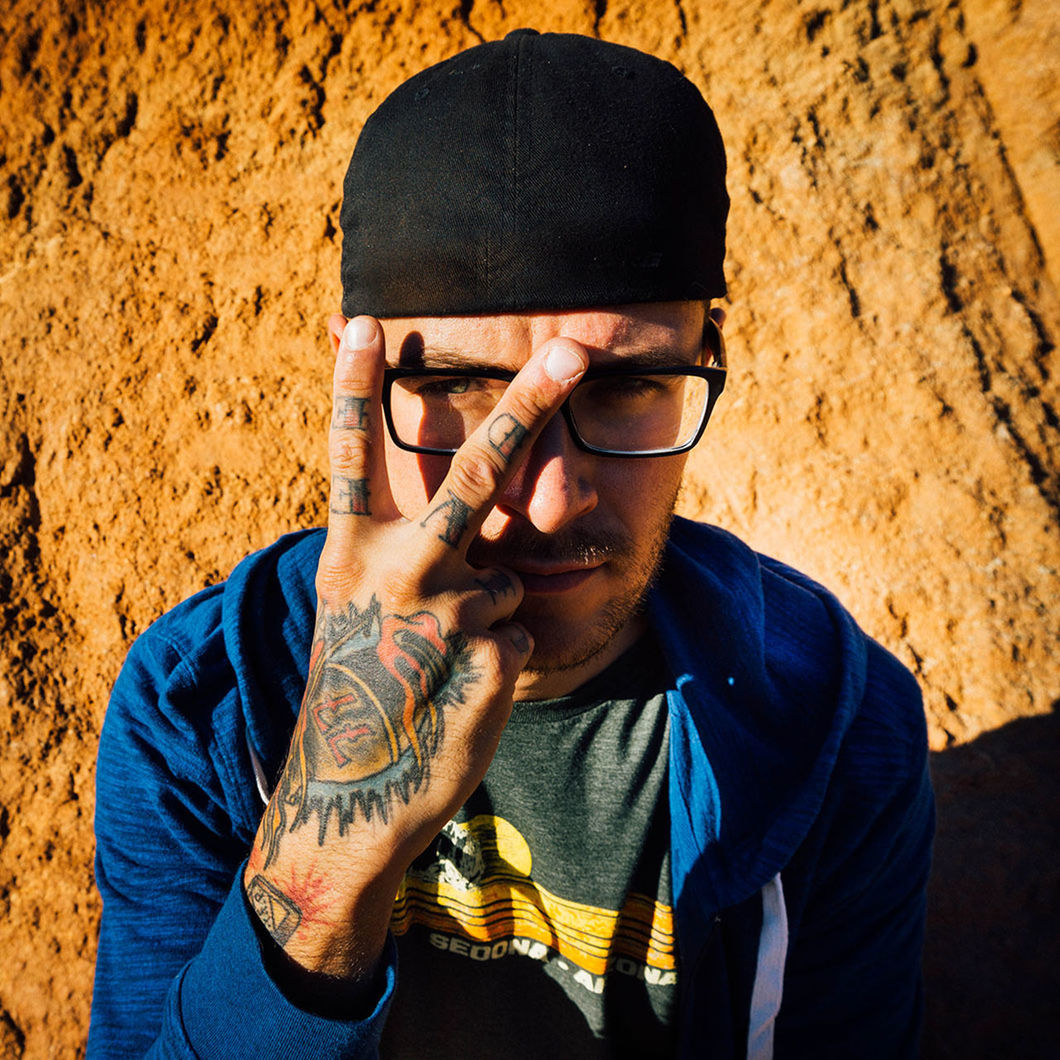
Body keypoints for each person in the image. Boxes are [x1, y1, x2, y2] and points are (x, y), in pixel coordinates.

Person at [88, 29, 934, 1060]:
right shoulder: (209, 704)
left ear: (704, 362)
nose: (543, 499)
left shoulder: (837, 722)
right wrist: (322, 859)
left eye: (624, 388)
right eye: (450, 387)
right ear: (354, 385)